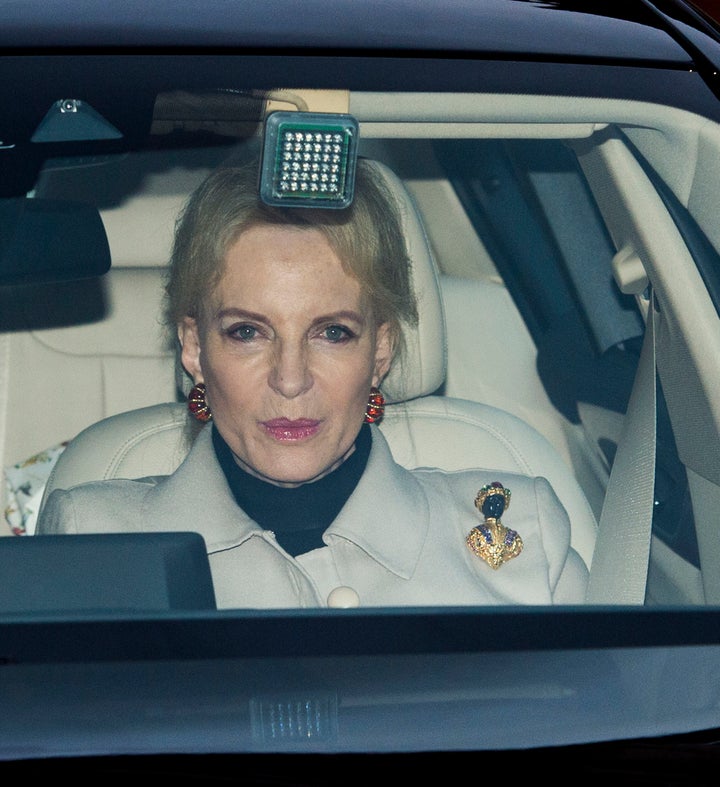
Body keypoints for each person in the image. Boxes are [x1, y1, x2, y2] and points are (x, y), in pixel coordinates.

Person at [36, 156, 589, 608]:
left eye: (333, 332)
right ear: (194, 348)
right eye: (248, 331)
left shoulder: (523, 531)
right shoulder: (91, 538)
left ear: (382, 350)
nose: (291, 379)